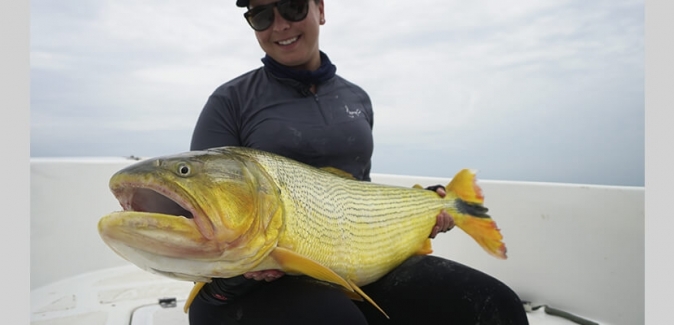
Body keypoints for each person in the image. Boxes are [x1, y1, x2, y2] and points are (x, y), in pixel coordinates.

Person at [188, 0, 529, 324]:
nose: (279, 25)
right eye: (261, 15)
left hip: (354, 261)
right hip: (257, 279)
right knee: (338, 320)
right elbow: (203, 208)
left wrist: (421, 207)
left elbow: (355, 193)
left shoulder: (356, 99)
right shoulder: (229, 102)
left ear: (320, 9)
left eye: (292, 6)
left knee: (498, 305)